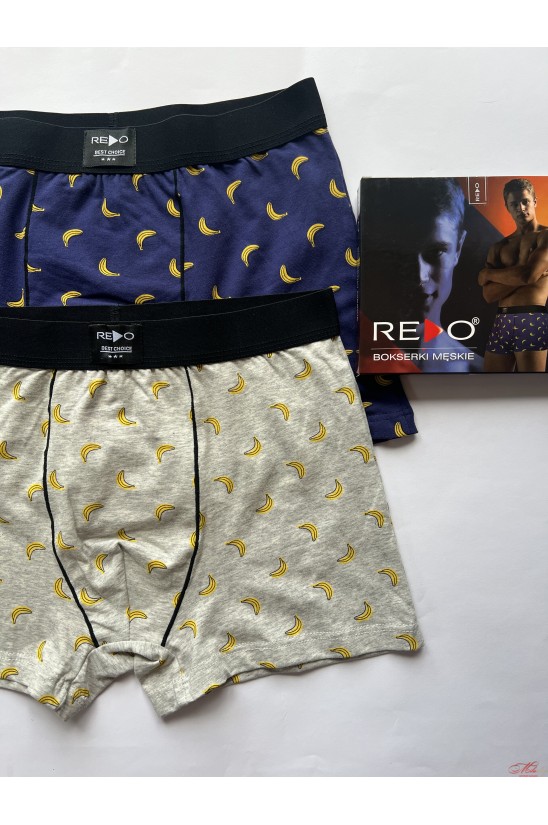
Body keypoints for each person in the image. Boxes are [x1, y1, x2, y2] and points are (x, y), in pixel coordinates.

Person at [364, 177, 482, 372]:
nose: (421, 277)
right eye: (402, 254)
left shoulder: (477, 369)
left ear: (458, 249)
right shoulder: (354, 359)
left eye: (436, 252)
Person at [479, 178, 548, 372]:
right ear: (507, 207)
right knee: (492, 384)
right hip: (502, 319)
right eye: (514, 204)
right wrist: (528, 274)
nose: (521, 208)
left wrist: (489, 274)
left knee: (530, 385)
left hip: (531, 316)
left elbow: (528, 276)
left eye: (525, 201)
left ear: (535, 201)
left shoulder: (545, 236)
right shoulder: (499, 246)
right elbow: (489, 295)